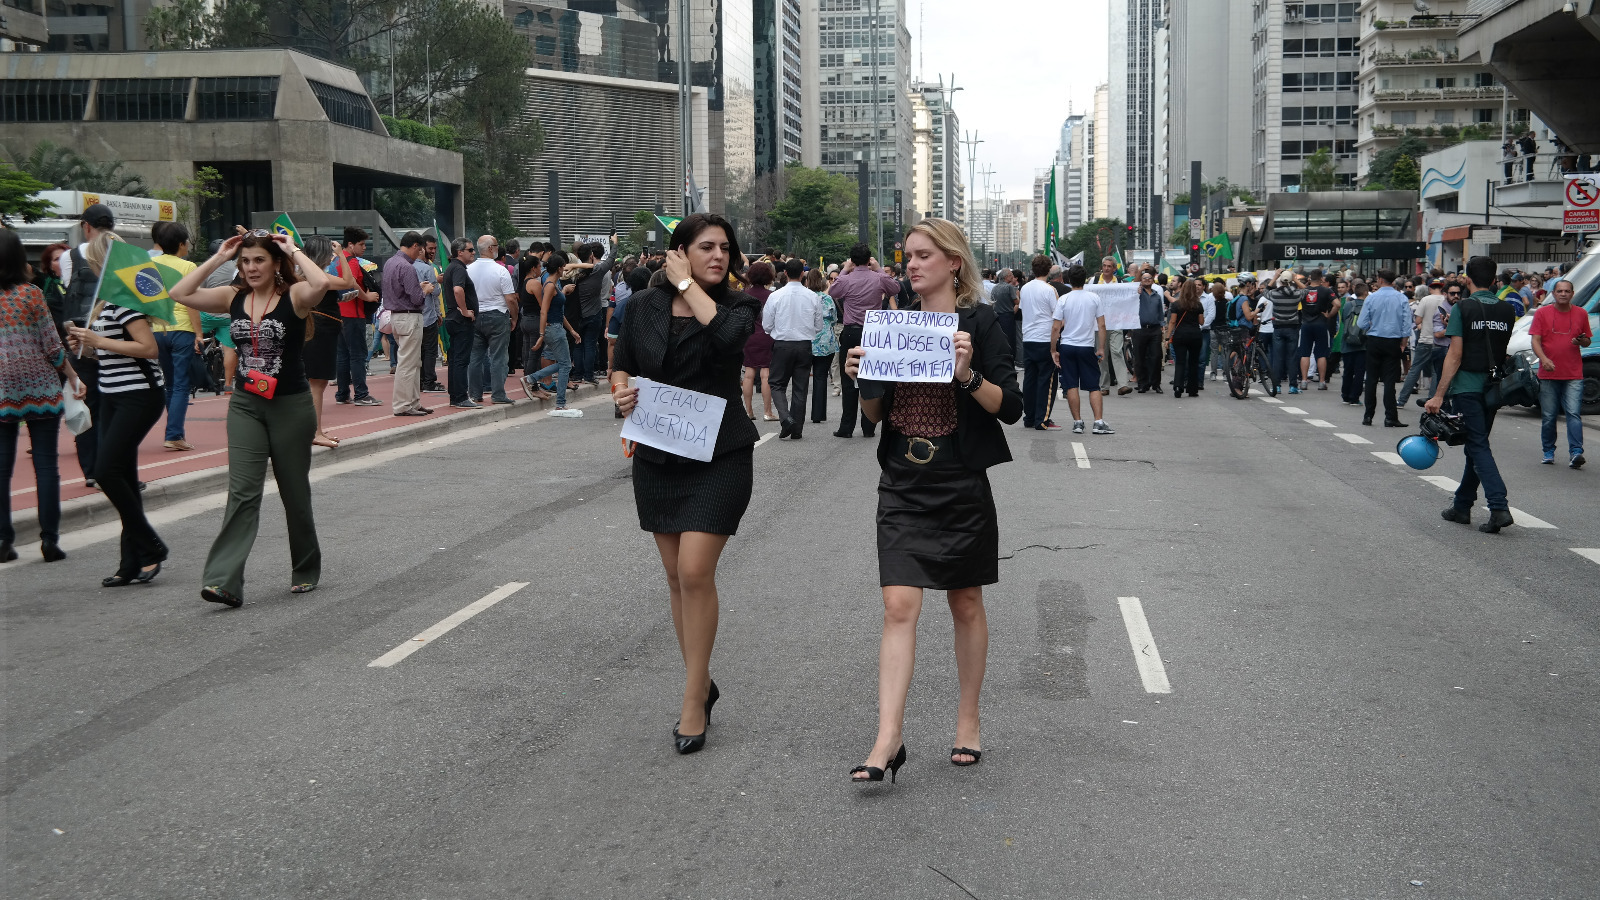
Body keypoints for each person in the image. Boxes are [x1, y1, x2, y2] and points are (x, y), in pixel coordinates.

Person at [844, 217, 1022, 783]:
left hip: (959, 476)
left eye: (923, 255)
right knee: (899, 605)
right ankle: (887, 737)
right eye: (907, 256)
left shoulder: (981, 322)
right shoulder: (889, 326)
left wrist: (966, 375)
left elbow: (1010, 408)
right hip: (903, 477)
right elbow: (874, 415)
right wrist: (861, 379)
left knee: (964, 600)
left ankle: (967, 719)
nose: (912, 264)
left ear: (953, 262)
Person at [610, 213, 759, 755]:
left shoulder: (741, 305)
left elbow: (724, 337)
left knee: (696, 571)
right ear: (680, 251)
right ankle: (703, 678)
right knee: (676, 578)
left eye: (725, 248)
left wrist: (686, 284)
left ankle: (692, 699)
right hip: (657, 454)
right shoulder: (644, 307)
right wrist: (620, 394)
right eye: (705, 247)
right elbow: (622, 363)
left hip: (720, 454)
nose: (719, 256)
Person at [170, 230, 331, 606]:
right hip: (246, 404)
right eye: (245, 261)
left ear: (275, 263)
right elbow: (180, 293)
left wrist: (292, 250)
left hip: (291, 406)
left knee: (294, 492)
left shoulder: (295, 296)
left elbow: (320, 281)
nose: (251, 267)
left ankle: (306, 566)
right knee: (242, 492)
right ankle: (223, 580)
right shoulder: (233, 297)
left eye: (259, 260)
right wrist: (220, 258)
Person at [64, 233, 168, 586]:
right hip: (113, 394)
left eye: (92, 262)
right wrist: (87, 347)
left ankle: (150, 545)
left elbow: (149, 348)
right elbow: (108, 354)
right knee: (121, 473)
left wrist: (98, 340)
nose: (89, 269)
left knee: (107, 471)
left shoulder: (126, 302)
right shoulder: (105, 303)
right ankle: (131, 562)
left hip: (139, 395)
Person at [2, 229, 84, 563]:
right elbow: (52, 345)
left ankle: (4, 542)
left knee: (2, 469)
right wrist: (73, 376)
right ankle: (49, 540)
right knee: (46, 464)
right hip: (40, 386)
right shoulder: (32, 294)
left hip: (2, 390)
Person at [1425, 256, 1519, 533]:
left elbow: (1454, 355)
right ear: (1494, 281)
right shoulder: (1506, 309)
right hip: (1493, 389)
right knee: (1475, 446)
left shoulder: (1462, 308)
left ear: (1467, 280)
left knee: (1477, 446)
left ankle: (1499, 506)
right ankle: (1462, 505)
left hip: (1466, 387)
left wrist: (1438, 395)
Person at [830, 245, 902, 437]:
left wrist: (845, 269)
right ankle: (868, 425)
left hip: (852, 331)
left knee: (848, 378)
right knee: (871, 376)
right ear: (869, 259)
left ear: (852, 260)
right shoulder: (878, 277)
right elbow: (896, 288)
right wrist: (878, 268)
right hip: (873, 332)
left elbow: (833, 292)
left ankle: (846, 427)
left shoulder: (845, 279)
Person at [147, 222, 200, 451]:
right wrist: (199, 332)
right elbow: (191, 303)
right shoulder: (188, 267)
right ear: (181, 244)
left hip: (157, 329)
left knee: (169, 384)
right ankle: (174, 434)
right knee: (180, 385)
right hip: (182, 329)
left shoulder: (149, 264)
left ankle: (173, 431)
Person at [1529, 279, 1590, 468]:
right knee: (1549, 415)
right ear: (1553, 294)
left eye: (1567, 291)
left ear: (1572, 293)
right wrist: (1544, 360)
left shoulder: (1581, 313)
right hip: (1548, 373)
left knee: (1573, 413)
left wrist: (1582, 341)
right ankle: (1548, 451)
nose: (1563, 294)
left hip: (1573, 373)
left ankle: (1576, 452)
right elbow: (1535, 341)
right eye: (1560, 291)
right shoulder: (1542, 313)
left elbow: (1587, 341)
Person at [763, 257, 824, 439]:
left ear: (786, 274)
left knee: (776, 383)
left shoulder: (775, 296)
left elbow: (767, 325)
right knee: (800, 387)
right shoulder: (813, 296)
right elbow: (819, 326)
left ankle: (785, 417)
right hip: (804, 345)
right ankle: (796, 428)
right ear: (803, 273)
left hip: (782, 344)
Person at [303, 235, 354, 448]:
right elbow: (349, 281)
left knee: (315, 382)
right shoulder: (316, 275)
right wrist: (342, 254)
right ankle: (315, 431)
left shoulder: (303, 274)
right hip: (320, 331)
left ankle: (311, 430)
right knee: (316, 382)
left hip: (317, 329)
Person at [1050, 265, 1113, 435]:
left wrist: (1053, 350)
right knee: (1094, 386)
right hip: (1086, 346)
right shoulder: (1094, 298)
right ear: (1085, 279)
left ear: (1069, 279)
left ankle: (1077, 422)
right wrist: (1101, 347)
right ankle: (1098, 422)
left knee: (1071, 385)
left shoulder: (1064, 299)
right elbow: (1101, 325)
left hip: (1068, 346)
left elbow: (1056, 327)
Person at [522, 251, 585, 417]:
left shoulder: (554, 284)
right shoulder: (550, 285)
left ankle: (531, 379)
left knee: (564, 363)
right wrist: (542, 334)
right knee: (565, 365)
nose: (565, 269)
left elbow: (557, 312)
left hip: (557, 327)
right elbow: (544, 311)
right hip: (553, 329)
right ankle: (560, 403)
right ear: (558, 268)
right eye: (563, 266)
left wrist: (571, 330)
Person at [383, 232, 431, 416]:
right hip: (409, 316)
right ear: (414, 246)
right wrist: (424, 289)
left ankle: (413, 402)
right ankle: (404, 405)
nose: (419, 254)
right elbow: (417, 299)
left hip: (397, 316)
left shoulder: (390, 263)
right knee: (408, 363)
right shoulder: (407, 267)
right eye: (419, 250)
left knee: (411, 361)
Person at [467, 235, 519, 406]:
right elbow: (510, 299)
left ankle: (475, 393)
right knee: (498, 357)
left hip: (475, 316)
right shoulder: (500, 270)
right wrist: (514, 317)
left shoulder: (469, 269)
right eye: (496, 245)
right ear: (490, 248)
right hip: (497, 315)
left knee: (475, 357)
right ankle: (498, 393)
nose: (498, 248)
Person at [1357, 269, 1411, 427]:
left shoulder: (1371, 298)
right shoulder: (1401, 298)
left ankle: (1368, 416)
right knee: (1389, 381)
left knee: (1372, 379)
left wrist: (1370, 326)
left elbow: (1361, 323)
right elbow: (1407, 324)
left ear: (1380, 280)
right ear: (1393, 281)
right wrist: (1403, 342)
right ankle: (1390, 416)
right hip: (1393, 341)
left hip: (1374, 339)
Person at [333, 228, 379, 407]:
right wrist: (367, 297)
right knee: (358, 355)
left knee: (343, 355)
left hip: (339, 313)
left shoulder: (336, 260)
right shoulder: (350, 261)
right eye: (361, 244)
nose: (364, 247)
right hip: (353, 313)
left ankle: (342, 393)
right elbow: (351, 282)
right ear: (350, 245)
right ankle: (361, 394)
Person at [1018, 255, 1060, 430]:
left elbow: (1022, 310)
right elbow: (1058, 316)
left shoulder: (1025, 288)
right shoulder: (1049, 290)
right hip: (1045, 338)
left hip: (1028, 337)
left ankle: (1029, 416)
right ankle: (1042, 419)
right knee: (1047, 380)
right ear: (1049, 269)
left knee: (1030, 379)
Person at [441, 238, 480, 408]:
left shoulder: (453, 267)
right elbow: (458, 289)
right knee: (461, 360)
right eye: (470, 250)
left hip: (453, 318)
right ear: (460, 252)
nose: (473, 253)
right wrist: (464, 310)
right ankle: (460, 397)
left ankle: (456, 396)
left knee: (456, 359)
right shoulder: (458, 268)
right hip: (460, 320)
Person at [740, 261, 779, 422]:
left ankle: (748, 411)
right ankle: (767, 411)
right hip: (767, 336)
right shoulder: (771, 296)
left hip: (748, 337)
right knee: (766, 374)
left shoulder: (744, 295)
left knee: (748, 374)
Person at [806, 267, 839, 427]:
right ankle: (818, 414)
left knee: (802, 378)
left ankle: (797, 412)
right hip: (825, 342)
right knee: (820, 377)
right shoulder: (827, 299)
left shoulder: (804, 298)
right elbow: (834, 319)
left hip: (806, 341)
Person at [1297, 268, 1338, 390]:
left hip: (1305, 324)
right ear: (1321, 278)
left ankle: (1304, 381)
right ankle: (1321, 382)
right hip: (1321, 324)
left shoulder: (1304, 291)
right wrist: (1329, 315)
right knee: (1321, 354)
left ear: (1310, 278)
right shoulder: (1326, 291)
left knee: (1305, 353)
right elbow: (1337, 304)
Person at [1165, 278, 1205, 398]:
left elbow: (1172, 322)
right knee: (1193, 362)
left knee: (1180, 362)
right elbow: (1201, 322)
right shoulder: (1198, 304)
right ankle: (1192, 389)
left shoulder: (1177, 304)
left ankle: (1178, 386)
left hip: (1180, 335)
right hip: (1195, 335)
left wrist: (1167, 338)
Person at [1265, 272, 1303, 394]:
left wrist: (1274, 277)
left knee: (1278, 358)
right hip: (1292, 328)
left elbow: (1265, 291)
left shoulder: (1274, 294)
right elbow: (1307, 289)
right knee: (1292, 357)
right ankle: (1293, 386)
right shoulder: (1297, 294)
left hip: (1278, 328)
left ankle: (1277, 386)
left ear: (1280, 281)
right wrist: (1295, 279)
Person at [1130, 268, 1165, 393]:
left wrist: (1162, 325)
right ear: (1141, 280)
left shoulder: (1157, 295)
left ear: (1153, 280)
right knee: (1140, 358)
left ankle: (1156, 384)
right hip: (1140, 329)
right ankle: (1142, 383)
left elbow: (1160, 312)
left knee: (1156, 357)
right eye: (1144, 278)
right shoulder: (1137, 293)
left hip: (1155, 329)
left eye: (1149, 278)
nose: (1147, 280)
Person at [418, 236, 445, 394]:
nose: (433, 252)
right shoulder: (427, 269)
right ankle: (429, 382)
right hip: (427, 316)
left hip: (419, 315)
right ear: (421, 248)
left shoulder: (409, 266)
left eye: (435, 248)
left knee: (420, 351)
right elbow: (436, 292)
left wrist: (438, 313)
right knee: (429, 351)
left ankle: (421, 381)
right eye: (430, 248)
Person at [1337, 280, 1369, 405]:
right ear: (1365, 293)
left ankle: (1345, 395)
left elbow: (1345, 320)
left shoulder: (1348, 305)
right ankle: (1355, 397)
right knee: (1360, 371)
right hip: (1363, 343)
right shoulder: (1368, 305)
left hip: (1348, 341)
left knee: (1348, 370)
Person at [989, 267, 1019, 356]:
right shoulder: (1009, 288)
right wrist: (1017, 295)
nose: (1012, 277)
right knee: (1010, 339)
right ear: (1006, 277)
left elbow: (992, 302)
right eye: (1011, 275)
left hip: (997, 316)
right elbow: (1016, 302)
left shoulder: (995, 288)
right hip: (1008, 316)